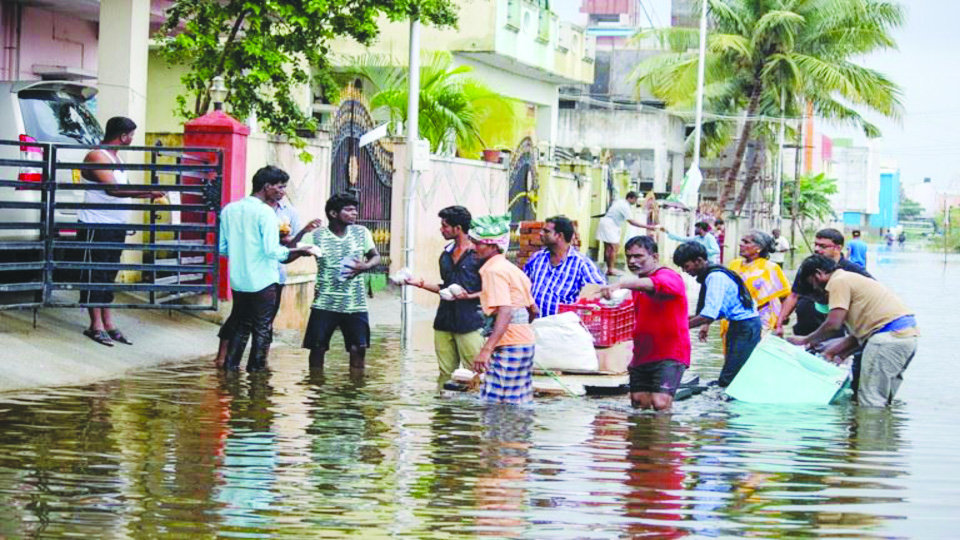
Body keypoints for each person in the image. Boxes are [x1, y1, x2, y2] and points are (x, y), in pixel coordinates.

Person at [78, 116, 165, 347]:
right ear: (123, 135)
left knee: (109, 273)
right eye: (131, 135)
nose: (132, 139)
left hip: (114, 225)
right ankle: (94, 324)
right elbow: (114, 190)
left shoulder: (116, 158)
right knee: (95, 273)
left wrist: (148, 194)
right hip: (96, 225)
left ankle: (108, 322)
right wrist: (147, 192)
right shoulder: (97, 156)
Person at [788, 255, 918, 407]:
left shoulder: (838, 281)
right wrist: (833, 352)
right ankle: (881, 430)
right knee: (884, 400)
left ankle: (869, 430)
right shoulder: (850, 278)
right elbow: (861, 335)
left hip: (887, 339)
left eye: (812, 284)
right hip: (905, 337)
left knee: (870, 401)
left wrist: (805, 340)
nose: (816, 291)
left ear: (818, 274)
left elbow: (833, 325)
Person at [217, 166, 313, 371]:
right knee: (262, 328)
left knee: (241, 326)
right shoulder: (266, 213)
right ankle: (257, 374)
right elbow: (272, 251)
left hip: (239, 280)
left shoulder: (229, 210)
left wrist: (244, 253)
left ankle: (230, 369)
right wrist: (298, 252)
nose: (282, 192)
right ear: (266, 187)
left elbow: (222, 248)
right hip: (264, 281)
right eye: (280, 187)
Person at [598, 236, 690, 411]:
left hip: (670, 354)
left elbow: (656, 284)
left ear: (655, 257)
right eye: (629, 257)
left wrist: (622, 284)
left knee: (660, 403)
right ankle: (642, 438)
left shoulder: (669, 276)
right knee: (639, 403)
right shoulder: (638, 285)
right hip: (642, 353)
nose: (632, 261)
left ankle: (664, 438)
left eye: (639, 256)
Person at [300, 192, 380, 372]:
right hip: (324, 302)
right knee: (317, 348)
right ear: (333, 214)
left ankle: (355, 391)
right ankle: (315, 388)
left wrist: (365, 266)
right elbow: (293, 252)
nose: (354, 214)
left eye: (355, 210)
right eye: (349, 210)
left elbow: (376, 257)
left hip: (355, 303)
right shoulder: (317, 236)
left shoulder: (361, 233)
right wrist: (303, 234)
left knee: (358, 348)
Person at [405, 206, 485, 382]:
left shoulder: (478, 255)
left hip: (470, 322)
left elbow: (491, 291)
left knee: (475, 373)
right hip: (444, 320)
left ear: (458, 228)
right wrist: (419, 284)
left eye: (445, 226)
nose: (442, 230)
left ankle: (472, 409)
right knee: (445, 374)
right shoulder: (445, 255)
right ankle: (444, 408)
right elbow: (445, 288)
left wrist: (469, 296)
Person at [469, 214, 538, 404]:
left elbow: (506, 311)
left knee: (494, 404)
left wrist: (486, 349)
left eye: (478, 243)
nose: (473, 248)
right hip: (525, 343)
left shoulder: (493, 271)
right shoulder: (512, 269)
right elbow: (534, 310)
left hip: (508, 344)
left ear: (492, 246)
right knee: (518, 402)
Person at [673, 241, 761, 387]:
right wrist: (693, 322)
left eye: (686, 266)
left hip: (746, 326)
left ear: (699, 261)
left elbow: (708, 314)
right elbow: (717, 310)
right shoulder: (713, 274)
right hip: (739, 324)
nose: (685, 270)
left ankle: (725, 406)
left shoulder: (715, 277)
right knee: (732, 370)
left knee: (730, 376)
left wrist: (680, 327)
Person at [775, 228, 873, 337]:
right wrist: (779, 323)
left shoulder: (852, 270)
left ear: (838, 248)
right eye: (815, 244)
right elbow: (794, 295)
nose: (817, 249)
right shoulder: (809, 266)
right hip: (804, 328)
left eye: (823, 246)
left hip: (832, 333)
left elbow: (871, 296)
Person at [523, 215, 606, 317]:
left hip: (564, 328)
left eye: (546, 231)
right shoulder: (537, 258)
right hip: (535, 325)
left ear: (559, 236)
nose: (541, 234)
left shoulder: (581, 264)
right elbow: (522, 285)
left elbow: (599, 292)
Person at [726, 230, 791, 331]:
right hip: (733, 319)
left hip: (760, 319)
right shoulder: (734, 265)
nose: (740, 244)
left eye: (746, 242)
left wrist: (781, 320)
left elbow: (786, 296)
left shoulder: (770, 268)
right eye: (742, 241)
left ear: (759, 248)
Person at [595, 191, 656, 276]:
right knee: (614, 248)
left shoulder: (620, 202)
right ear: (631, 198)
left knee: (609, 248)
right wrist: (648, 227)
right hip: (610, 225)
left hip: (607, 223)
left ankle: (609, 268)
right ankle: (611, 269)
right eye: (635, 199)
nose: (636, 202)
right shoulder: (625, 206)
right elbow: (631, 221)